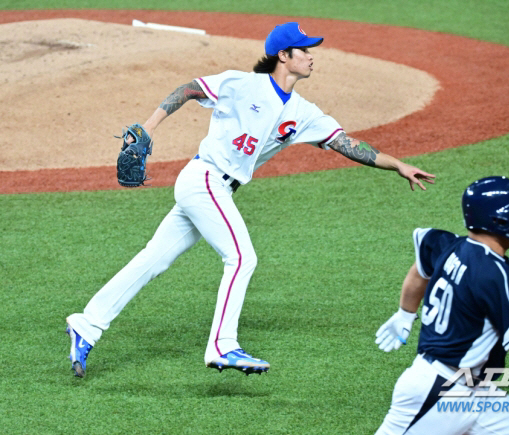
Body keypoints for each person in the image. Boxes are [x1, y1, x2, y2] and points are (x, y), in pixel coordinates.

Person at [65, 22, 435, 378]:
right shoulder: (243, 85)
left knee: (154, 259)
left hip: (217, 189)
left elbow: (346, 144)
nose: (312, 56)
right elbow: (189, 89)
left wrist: (397, 165)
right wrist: (147, 127)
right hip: (203, 179)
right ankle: (223, 345)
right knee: (241, 257)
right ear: (283, 55)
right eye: (305, 50)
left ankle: (87, 324)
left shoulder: (302, 113)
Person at [373, 176, 509, 434]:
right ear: (499, 220)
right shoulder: (492, 273)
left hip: (478, 391)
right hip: (437, 390)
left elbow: (421, 264)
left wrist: (405, 314)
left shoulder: (452, 245)